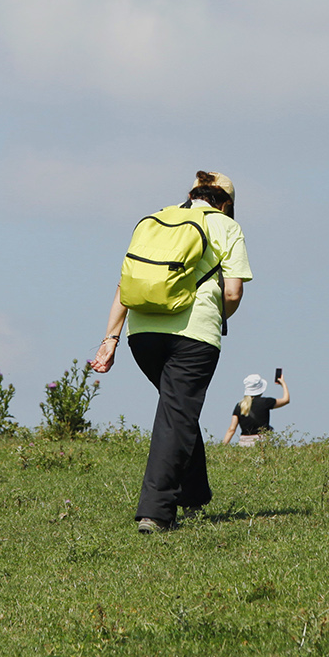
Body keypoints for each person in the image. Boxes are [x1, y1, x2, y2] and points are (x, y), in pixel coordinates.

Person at [89, 172, 252, 532]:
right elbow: (232, 293)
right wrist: (215, 316)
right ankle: (155, 512)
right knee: (176, 415)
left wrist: (109, 339)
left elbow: (125, 284)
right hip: (193, 336)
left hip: (141, 335)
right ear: (225, 204)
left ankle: (194, 494)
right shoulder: (224, 226)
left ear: (191, 195)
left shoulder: (155, 221)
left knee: (177, 410)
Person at [221, 371, 289, 446]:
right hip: (262, 442)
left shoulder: (239, 406)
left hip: (244, 444)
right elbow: (286, 400)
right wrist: (283, 383)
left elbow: (232, 429)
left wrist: (222, 446)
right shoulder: (266, 402)